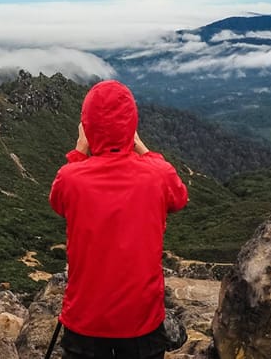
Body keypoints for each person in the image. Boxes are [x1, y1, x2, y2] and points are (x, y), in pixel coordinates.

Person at [48, 80, 189, 358]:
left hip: (85, 318)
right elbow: (179, 197)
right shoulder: (157, 175)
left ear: (87, 127)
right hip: (142, 318)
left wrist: (79, 150)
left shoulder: (71, 178)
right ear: (132, 124)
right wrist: (140, 147)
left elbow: (58, 202)